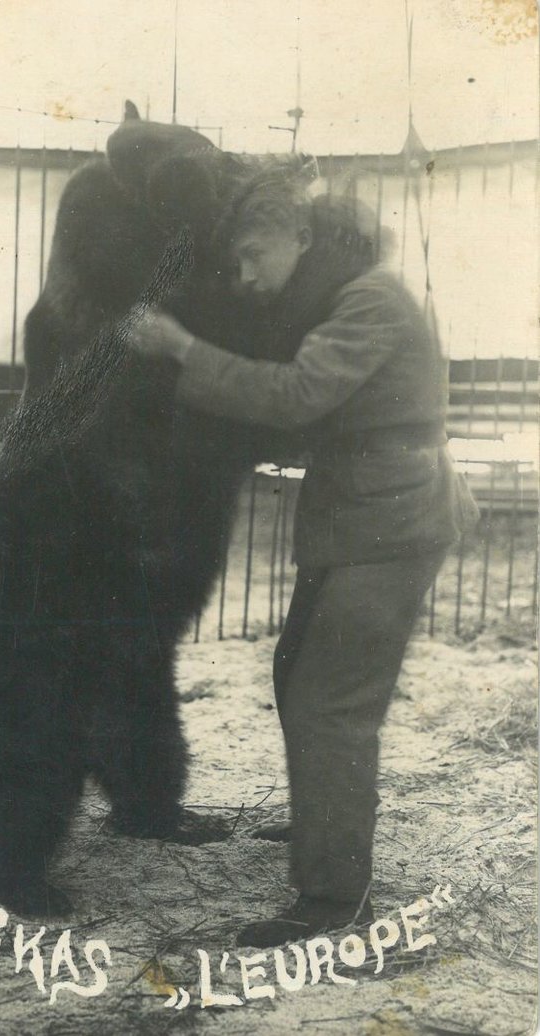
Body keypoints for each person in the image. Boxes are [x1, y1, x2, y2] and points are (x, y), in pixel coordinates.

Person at [130, 172, 480, 948]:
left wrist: (184, 348)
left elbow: (294, 397)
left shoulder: (369, 301)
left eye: (255, 256)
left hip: (392, 517)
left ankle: (332, 902)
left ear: (304, 238)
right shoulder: (343, 298)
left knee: (331, 701)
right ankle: (323, 827)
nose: (248, 277)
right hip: (359, 512)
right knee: (299, 673)